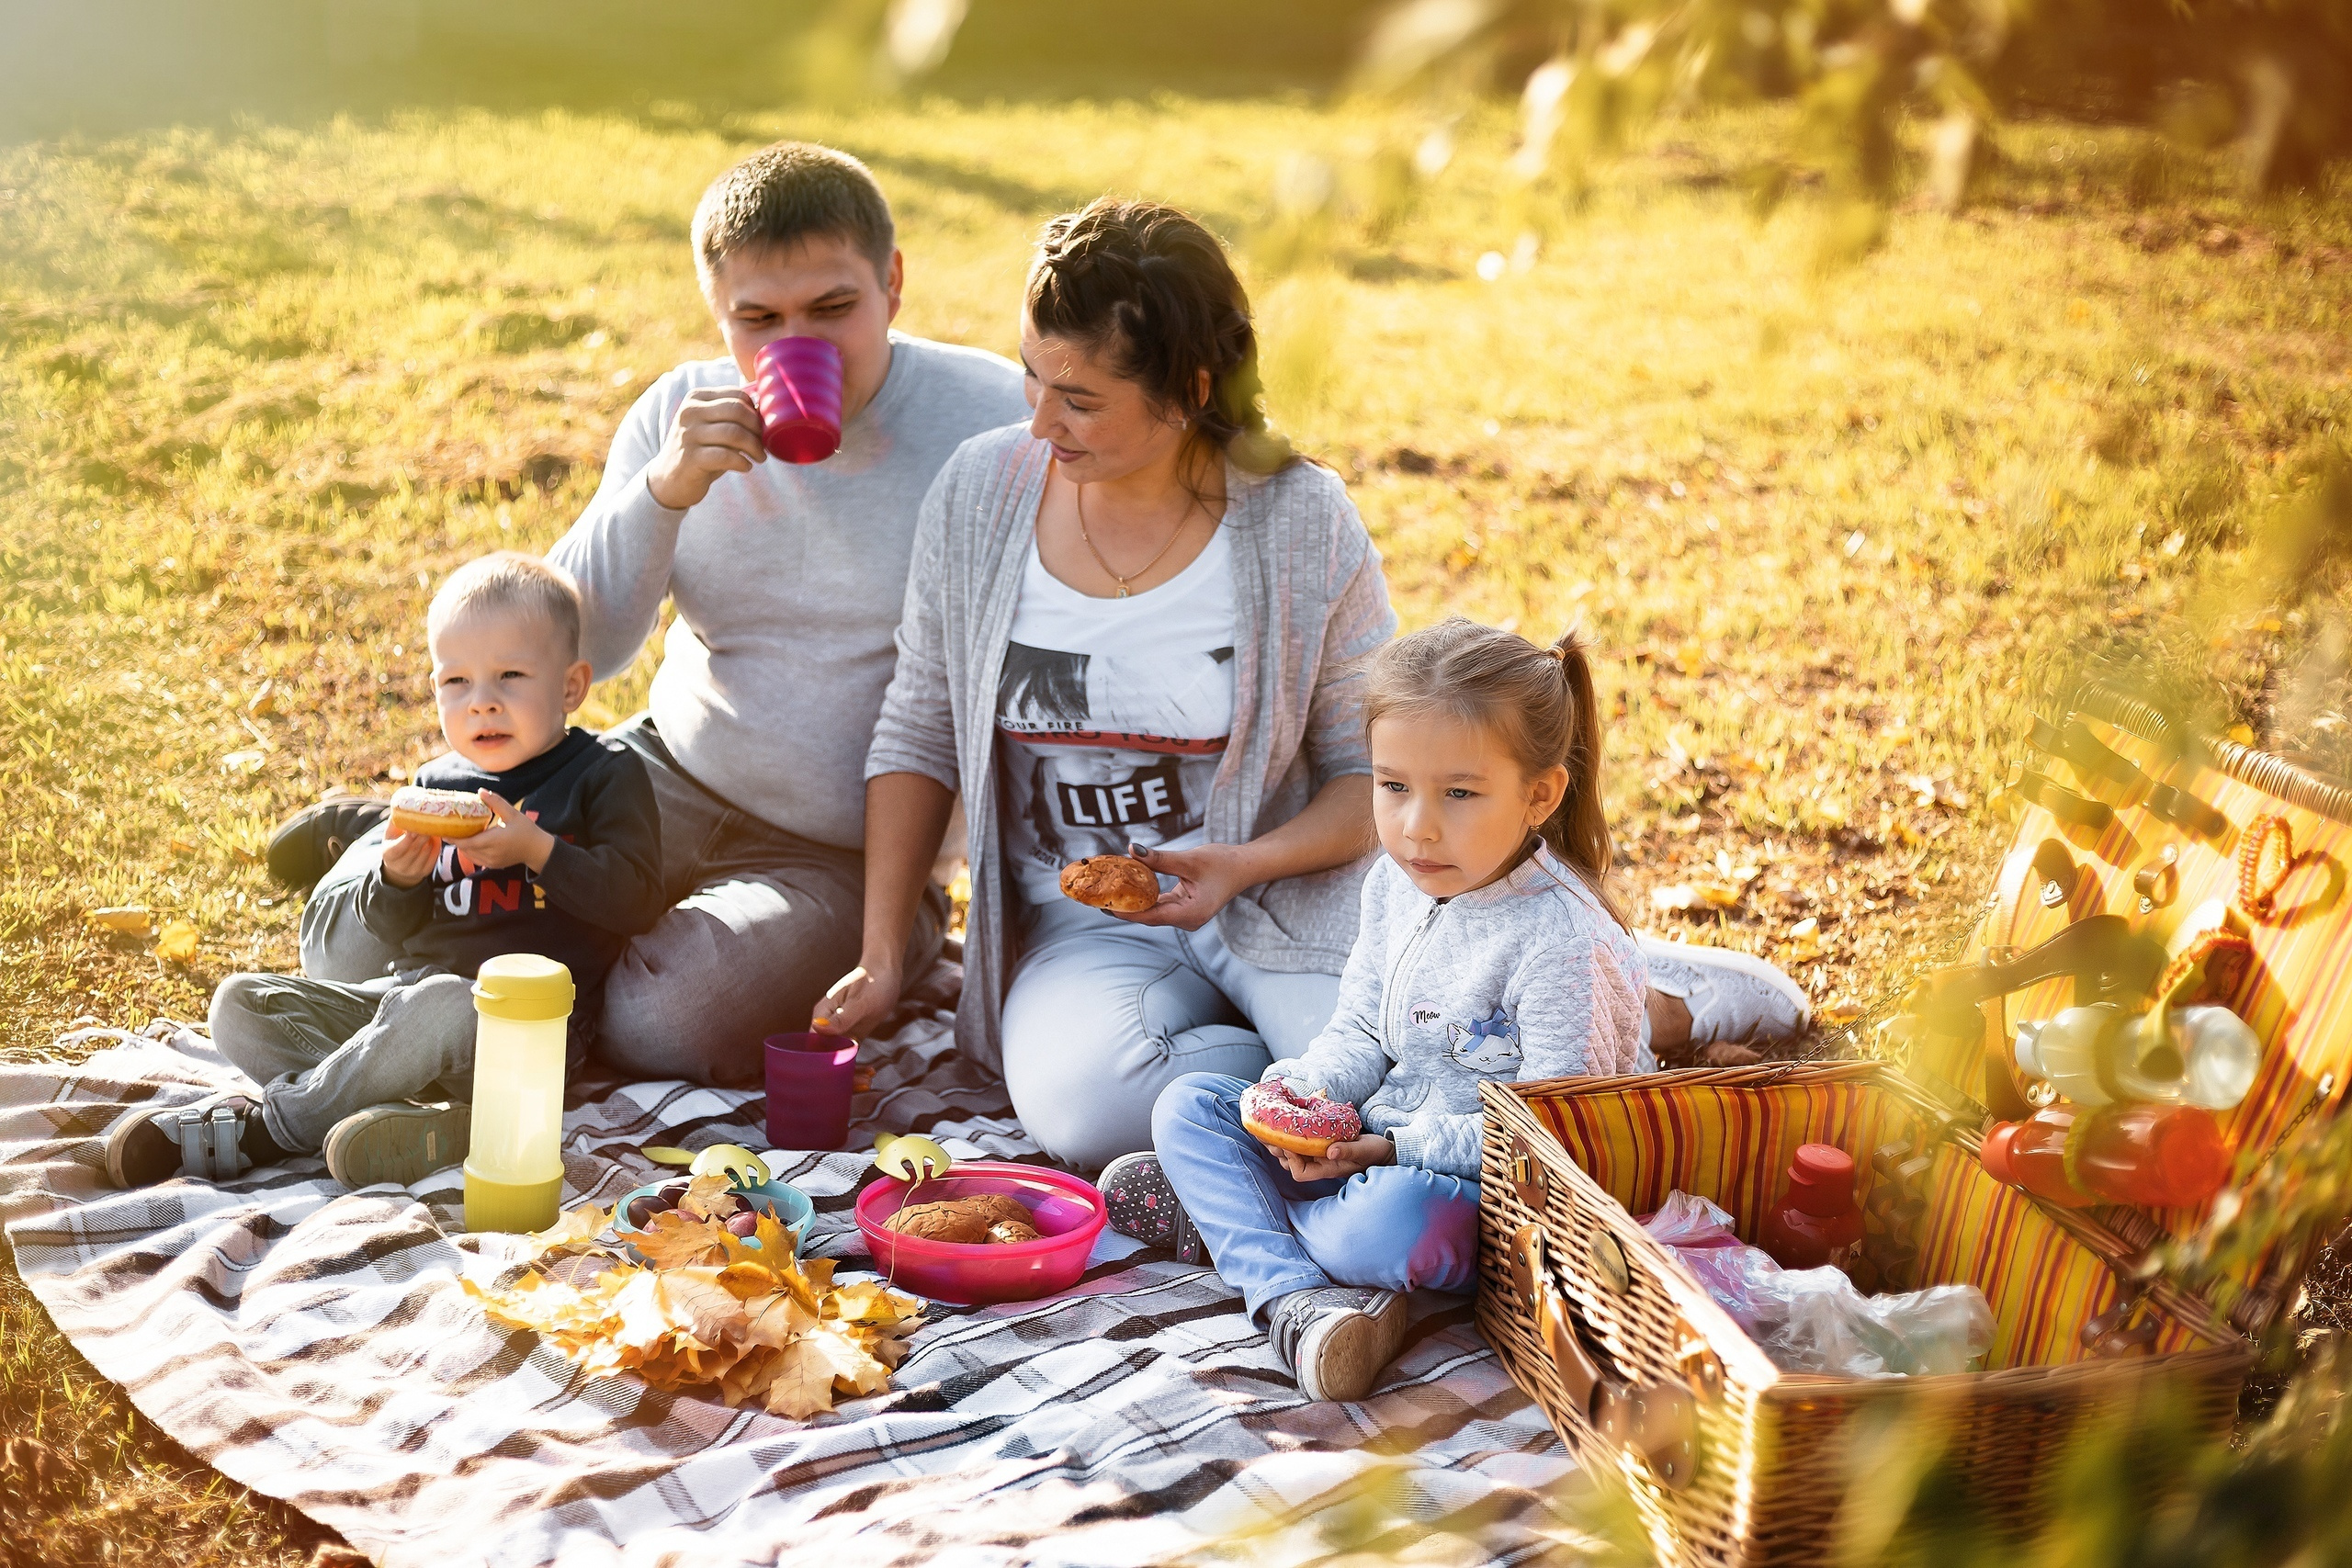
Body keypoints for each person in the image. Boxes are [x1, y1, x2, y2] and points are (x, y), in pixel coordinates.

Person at [266, 141, 1031, 1087]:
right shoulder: (678, 412)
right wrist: (663, 494)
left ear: (893, 283)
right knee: (344, 941)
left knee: (667, 1023)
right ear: (717, 314)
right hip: (660, 773)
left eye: (834, 308)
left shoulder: (993, 419)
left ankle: (881, 942)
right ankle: (380, 846)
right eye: (758, 320)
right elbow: (574, 648)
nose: (801, 342)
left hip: (839, 851)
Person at [821, 198, 1393, 1169]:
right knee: (1086, 1115)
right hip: (1079, 933)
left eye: (1079, 400)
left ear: (1190, 388)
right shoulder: (978, 492)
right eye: (1032, 380)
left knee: (1405, 1075)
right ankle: (1272, 1098)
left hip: (1279, 905)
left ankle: (1287, 1095)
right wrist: (882, 954)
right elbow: (918, 730)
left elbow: (1370, 775)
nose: (1040, 422)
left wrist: (1240, 866)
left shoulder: (1301, 521)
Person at [1101, 618, 1644, 1402]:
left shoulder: (1560, 939)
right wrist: (1307, 1091)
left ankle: (1239, 1233)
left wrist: (1393, 1148)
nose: (1417, 824)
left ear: (1540, 793)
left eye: (1459, 792)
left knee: (1389, 1223)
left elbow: (1555, 1137)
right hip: (1371, 1147)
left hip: (1471, 1190)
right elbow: (1360, 1027)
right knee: (1188, 1103)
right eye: (1394, 786)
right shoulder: (1396, 883)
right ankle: (1302, 1300)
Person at [105, 554, 664, 1190]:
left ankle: (270, 1127)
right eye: (457, 682)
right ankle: (422, 1120)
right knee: (239, 1003)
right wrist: (395, 879)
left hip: (521, 1037)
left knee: (441, 1005)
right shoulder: (436, 785)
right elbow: (394, 934)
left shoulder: (602, 774)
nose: (481, 704)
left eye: (510, 675)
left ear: (570, 686)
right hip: (400, 1007)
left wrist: (537, 850)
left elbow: (637, 899)